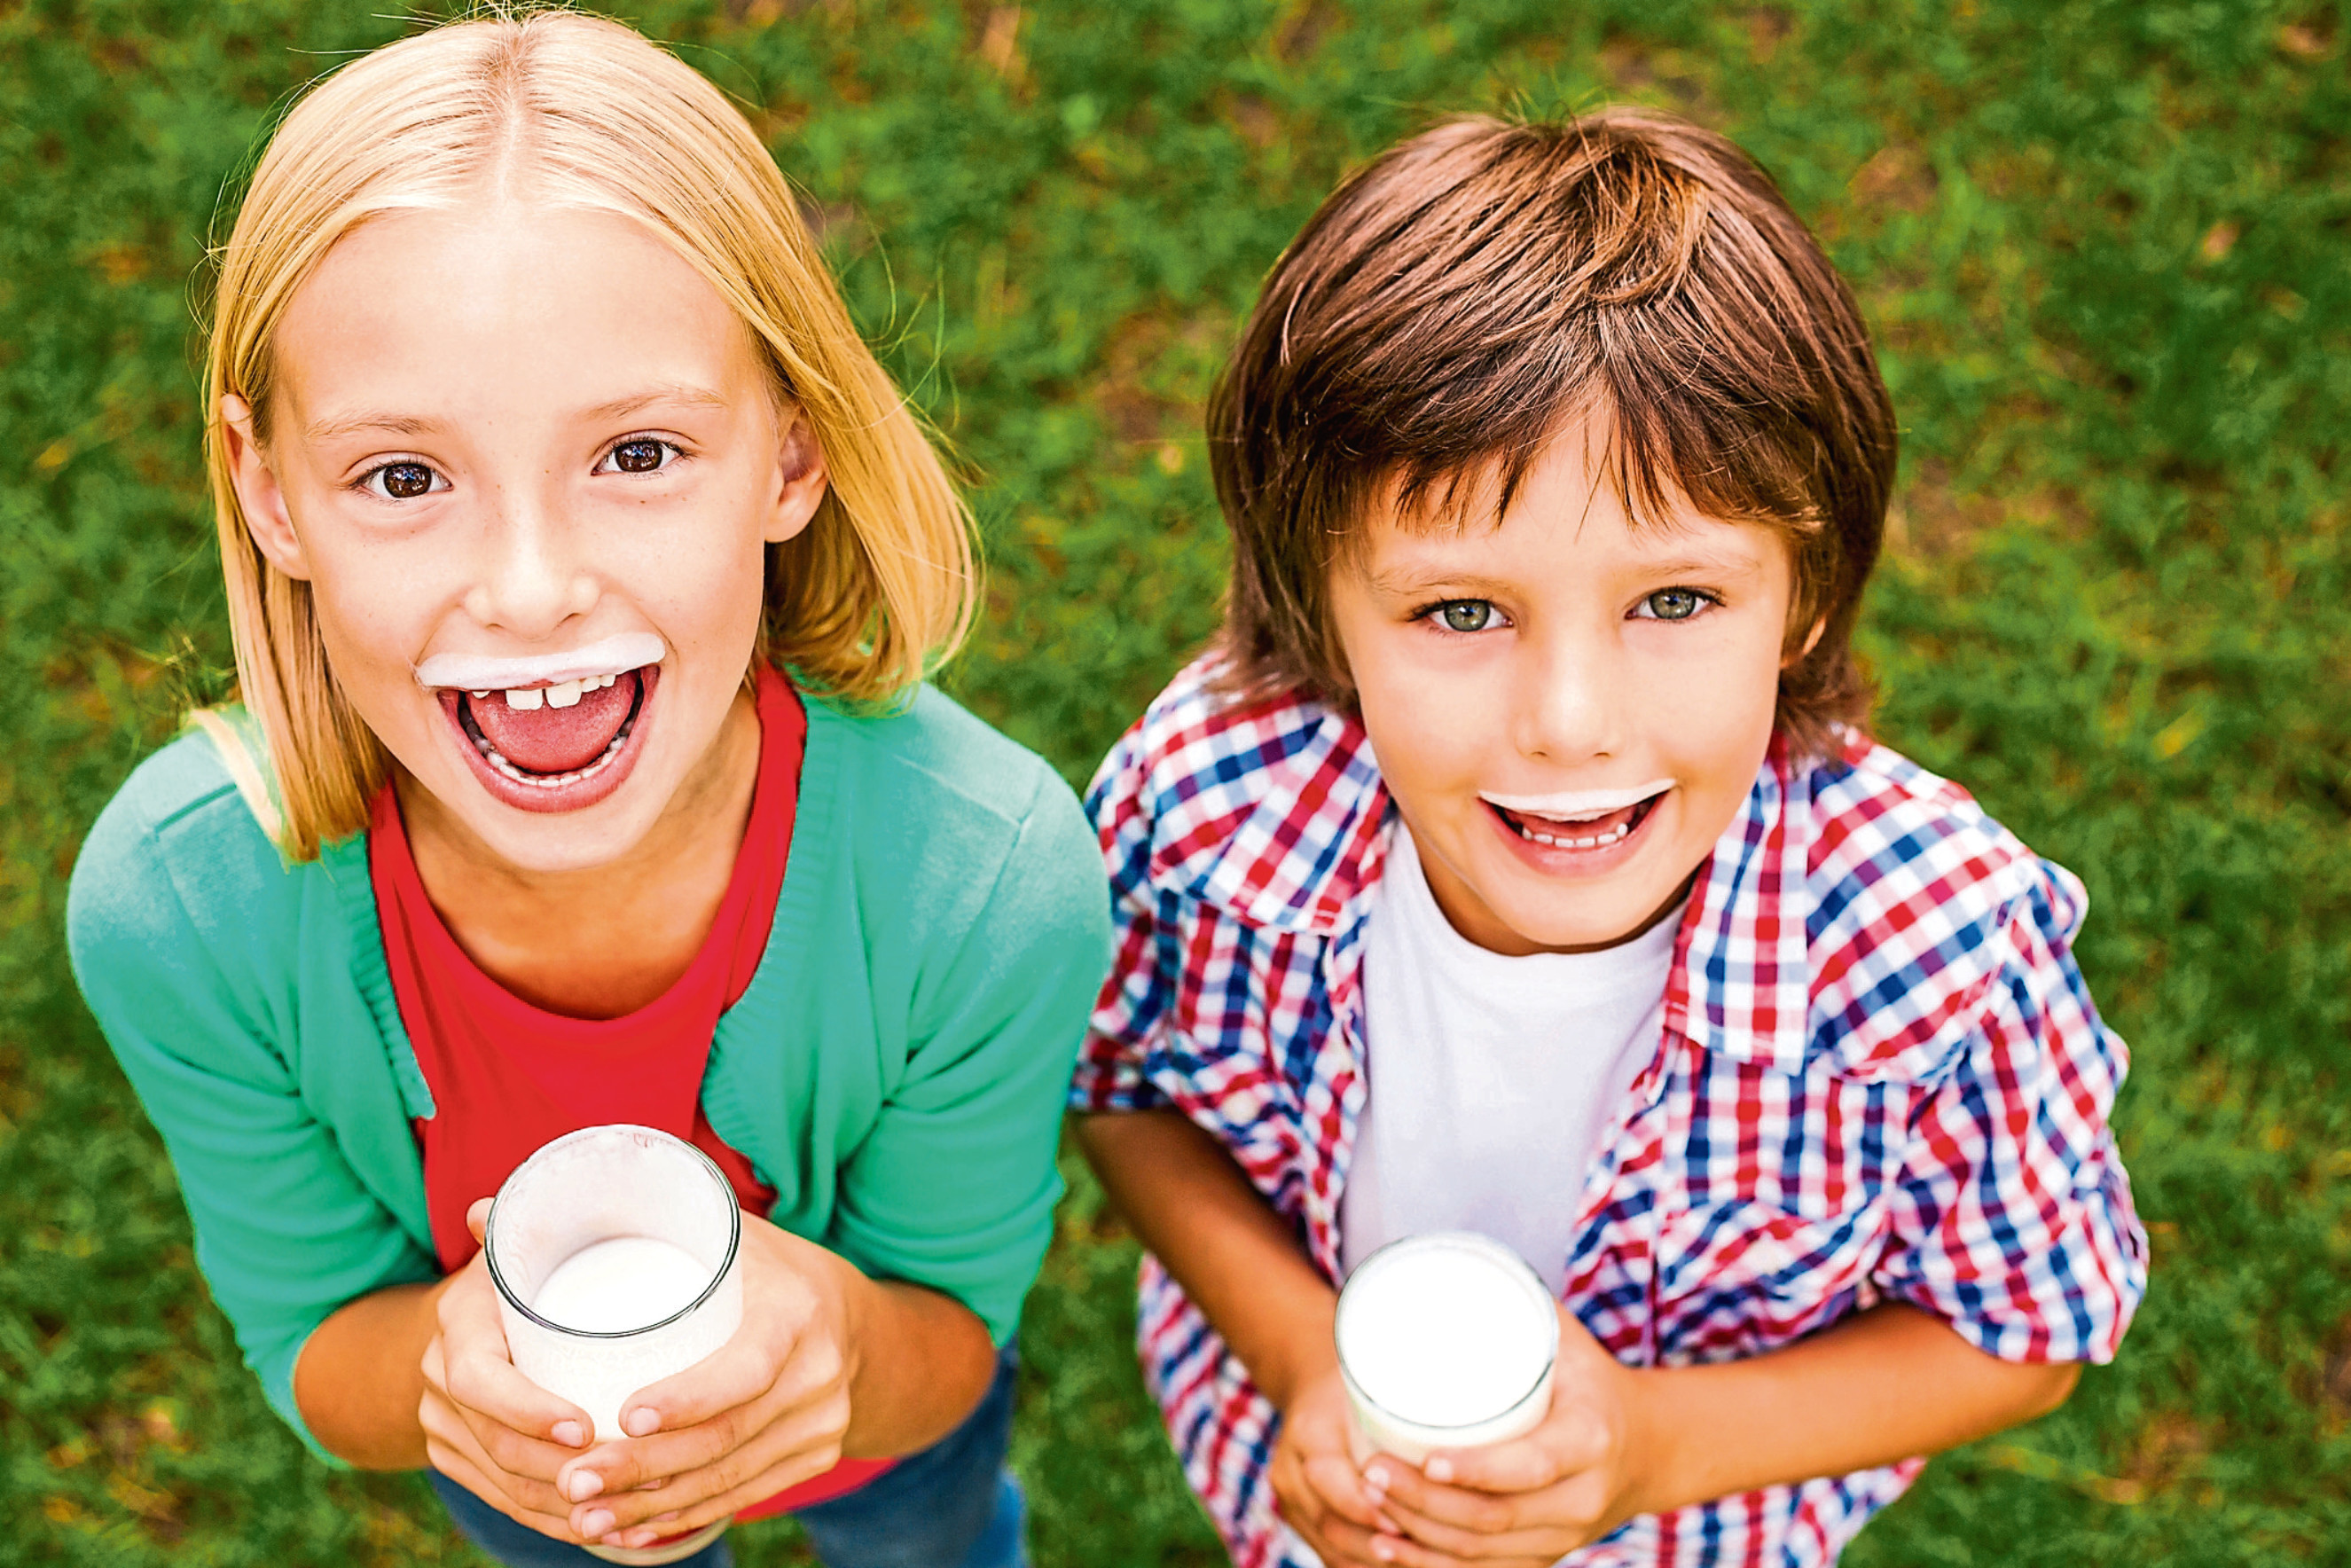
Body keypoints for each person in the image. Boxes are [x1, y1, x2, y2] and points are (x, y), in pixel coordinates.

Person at [65, 12, 1108, 1567]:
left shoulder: (985, 879)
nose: (534, 589)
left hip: (876, 1456)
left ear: (792, 449)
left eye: (636, 453)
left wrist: (838, 1338)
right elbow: (318, 1351)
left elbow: (949, 1335)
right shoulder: (181, 908)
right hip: (528, 1473)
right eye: (405, 478)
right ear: (272, 494)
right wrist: (456, 1372)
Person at [1071, 109, 2147, 1568]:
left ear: (1808, 593)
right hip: (1305, 1485)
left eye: (1675, 603)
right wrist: (1300, 1358)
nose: (1569, 723)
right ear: (1323, 604)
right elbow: (1123, 1086)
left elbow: (2026, 1328)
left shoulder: (1939, 954)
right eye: (1462, 611)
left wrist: (1647, 1451)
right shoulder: (1211, 802)